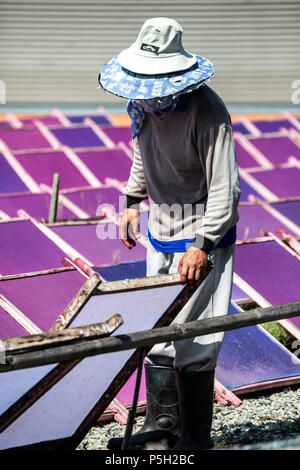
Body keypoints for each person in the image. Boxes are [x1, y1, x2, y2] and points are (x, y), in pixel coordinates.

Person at [99, 17, 240, 450]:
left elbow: (225, 187)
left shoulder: (207, 112)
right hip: (161, 228)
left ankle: (195, 441)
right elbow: (142, 152)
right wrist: (131, 203)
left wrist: (202, 244)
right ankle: (161, 428)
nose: (150, 91)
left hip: (201, 233)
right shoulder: (143, 106)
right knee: (159, 332)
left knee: (194, 336)